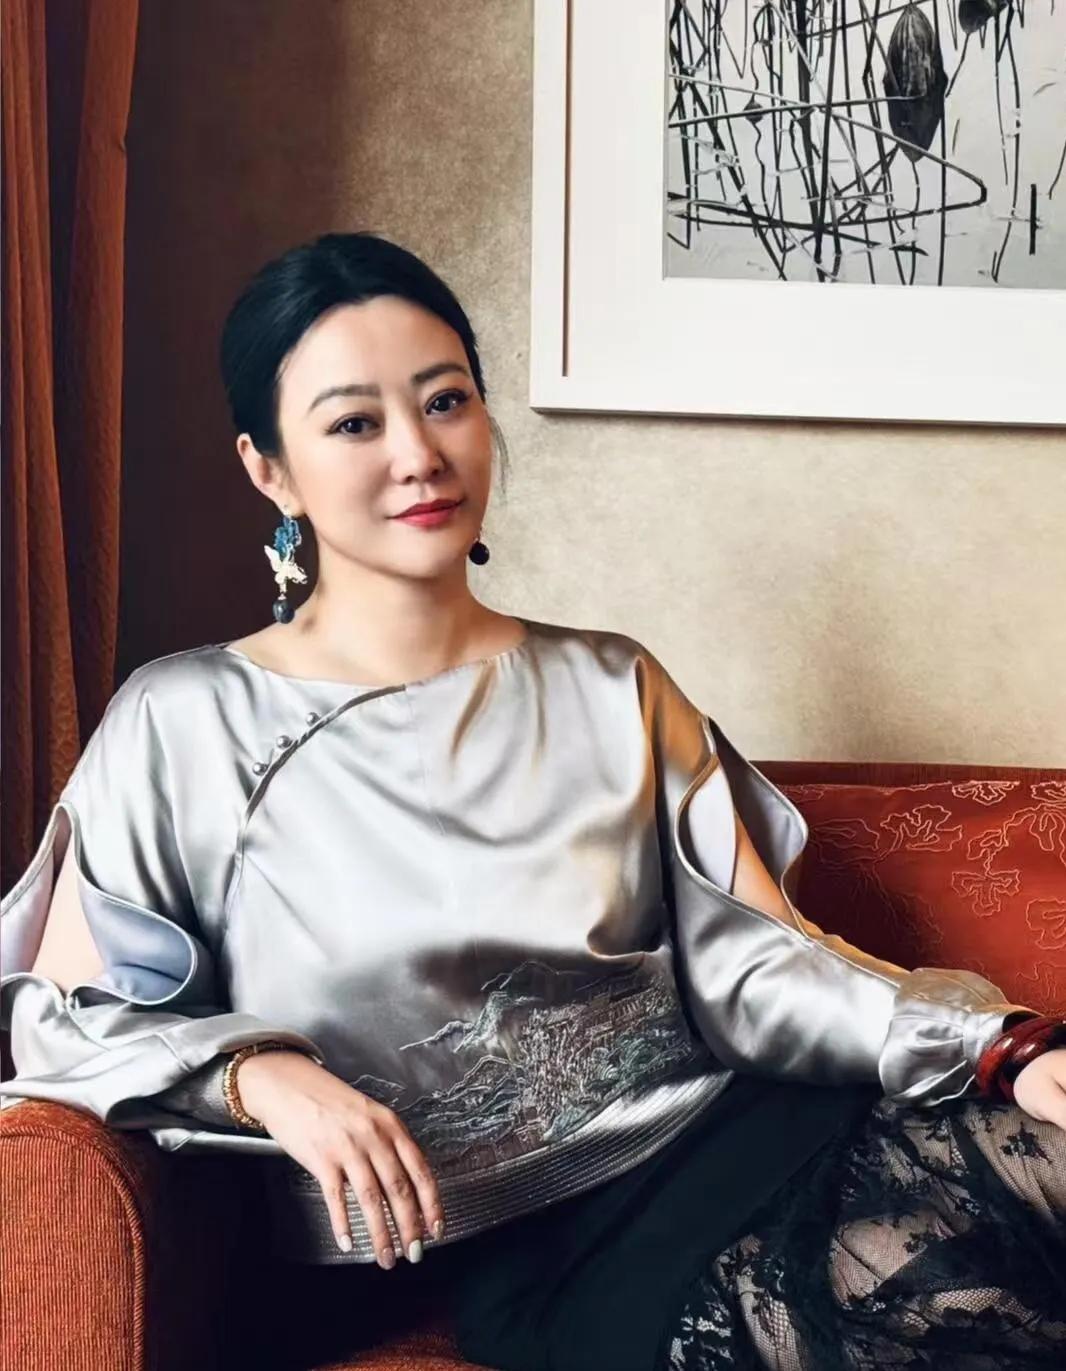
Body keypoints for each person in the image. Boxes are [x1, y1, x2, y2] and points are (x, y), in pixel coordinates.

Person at [1, 231, 1063, 1371]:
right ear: (271, 471)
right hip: (488, 1251)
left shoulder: (613, 684)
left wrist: (999, 1046)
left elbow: (758, 962)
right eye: (355, 423)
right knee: (940, 1305)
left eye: (445, 400)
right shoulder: (183, 719)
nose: (419, 454)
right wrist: (261, 1074)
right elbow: (57, 1015)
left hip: (711, 1135)